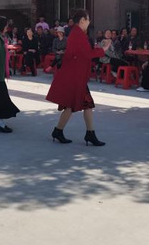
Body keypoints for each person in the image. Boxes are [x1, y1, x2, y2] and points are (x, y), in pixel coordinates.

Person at [46, 10, 110, 145]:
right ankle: (85, 134)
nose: (89, 22)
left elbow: (84, 52)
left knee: (78, 105)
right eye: (88, 19)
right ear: (82, 21)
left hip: (74, 76)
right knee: (78, 105)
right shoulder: (78, 34)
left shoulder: (76, 33)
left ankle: (65, 131)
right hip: (74, 77)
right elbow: (87, 54)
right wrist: (103, 49)